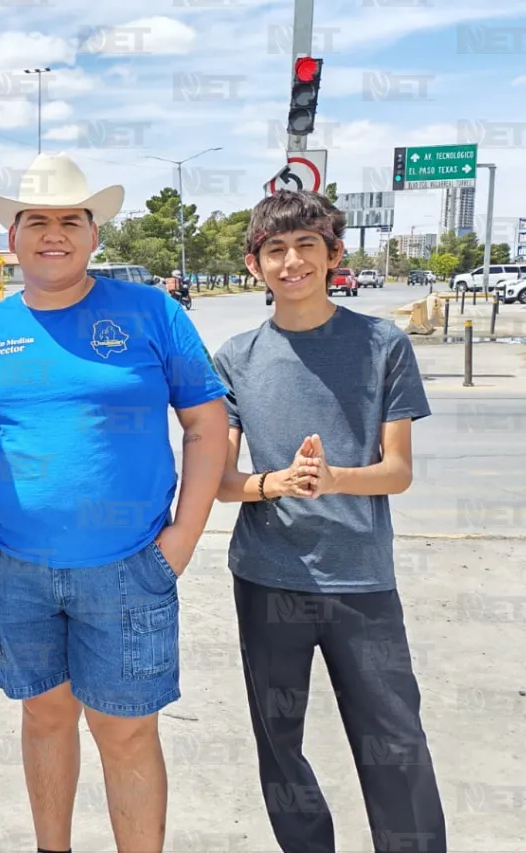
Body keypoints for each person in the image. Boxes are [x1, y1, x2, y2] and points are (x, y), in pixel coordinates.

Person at [0, 154, 229, 852]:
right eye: (35, 219)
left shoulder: (153, 312)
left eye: (71, 219)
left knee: (126, 730)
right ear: (11, 237)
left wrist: (182, 540)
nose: (53, 233)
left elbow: (206, 424)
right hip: (17, 569)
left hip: (130, 566)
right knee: (44, 717)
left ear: (94, 233)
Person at [212, 190, 445, 853]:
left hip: (360, 580)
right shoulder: (236, 357)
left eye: (306, 246)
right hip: (267, 578)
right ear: (255, 263)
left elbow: (396, 470)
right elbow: (224, 482)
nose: (292, 261)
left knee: (394, 739)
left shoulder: (381, 344)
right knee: (279, 740)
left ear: (334, 255)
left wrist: (333, 477)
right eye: (275, 250)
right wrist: (277, 481)